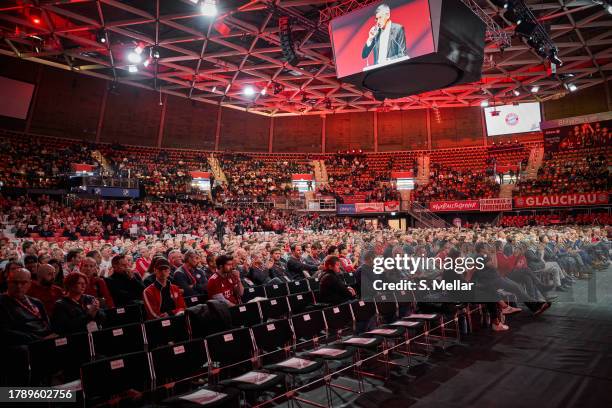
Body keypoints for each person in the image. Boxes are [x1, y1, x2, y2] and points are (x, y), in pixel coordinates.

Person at [0, 268, 54, 345]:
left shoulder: (36, 302)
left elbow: (47, 324)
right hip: (23, 345)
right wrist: (40, 339)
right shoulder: (2, 302)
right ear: (8, 282)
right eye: (15, 282)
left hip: (45, 340)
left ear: (30, 284)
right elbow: (4, 332)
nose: (19, 286)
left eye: (23, 283)